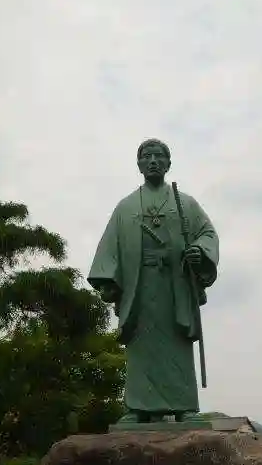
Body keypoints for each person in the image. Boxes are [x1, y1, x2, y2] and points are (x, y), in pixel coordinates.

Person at [87, 138, 219, 424]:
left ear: (169, 163)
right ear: (139, 164)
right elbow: (110, 245)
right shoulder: (126, 207)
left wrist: (199, 251)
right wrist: (108, 280)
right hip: (140, 287)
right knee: (141, 345)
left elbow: (207, 234)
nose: (153, 161)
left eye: (159, 156)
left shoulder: (185, 204)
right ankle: (139, 408)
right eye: (147, 156)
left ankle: (184, 407)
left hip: (174, 286)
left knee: (176, 346)